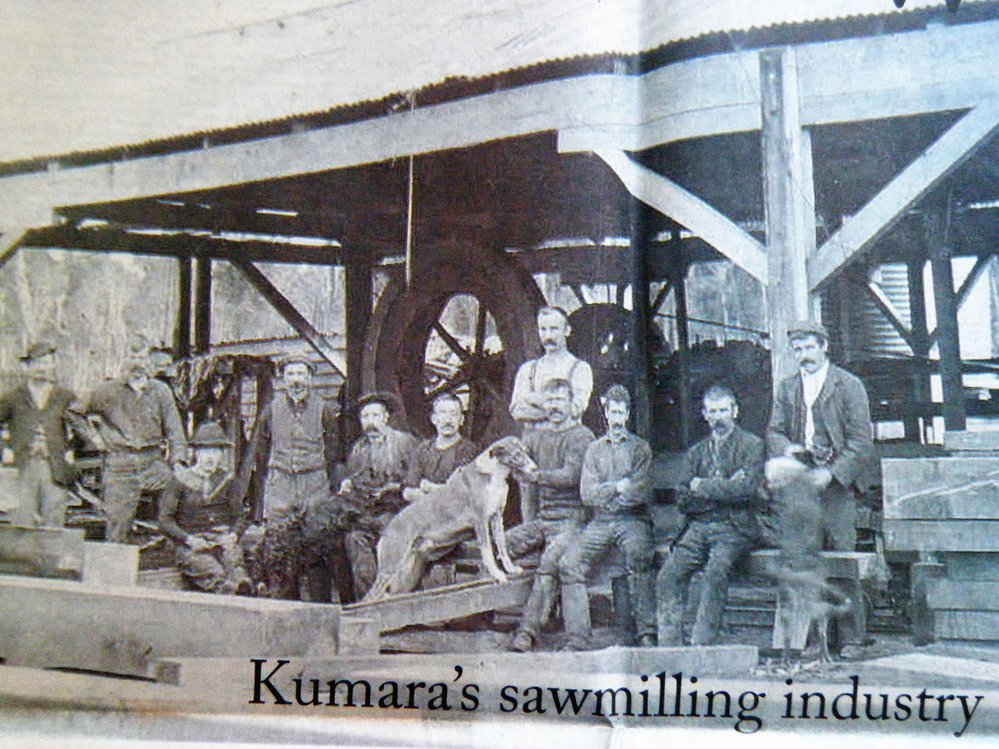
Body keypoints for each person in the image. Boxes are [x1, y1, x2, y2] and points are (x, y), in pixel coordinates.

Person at [656, 384, 765, 646]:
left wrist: (702, 486)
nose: (719, 418)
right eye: (713, 412)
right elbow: (683, 498)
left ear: (735, 411)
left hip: (733, 528)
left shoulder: (752, 446)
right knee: (668, 575)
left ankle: (701, 644)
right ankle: (669, 645)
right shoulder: (696, 452)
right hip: (698, 527)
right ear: (705, 415)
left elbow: (747, 491)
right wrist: (726, 487)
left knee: (716, 572)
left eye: (723, 410)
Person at [558, 384, 657, 649]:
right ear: (606, 413)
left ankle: (646, 631)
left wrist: (611, 494)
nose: (617, 419)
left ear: (628, 414)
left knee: (639, 556)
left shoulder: (640, 448)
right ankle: (578, 637)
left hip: (633, 520)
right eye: (613, 413)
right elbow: (587, 494)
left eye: (621, 413)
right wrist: (617, 487)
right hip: (601, 522)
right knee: (569, 563)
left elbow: (640, 492)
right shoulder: (594, 450)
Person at [766, 320, 874, 552]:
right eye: (798, 350)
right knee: (801, 554)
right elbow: (774, 432)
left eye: (809, 348)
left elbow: (861, 443)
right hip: (800, 482)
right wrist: (788, 450)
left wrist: (831, 474)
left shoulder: (849, 386)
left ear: (824, 346)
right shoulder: (787, 388)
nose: (804, 356)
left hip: (838, 486)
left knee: (841, 554)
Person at [237, 354, 339, 599]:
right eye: (290, 374)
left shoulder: (325, 409)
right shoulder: (270, 411)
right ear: (283, 379)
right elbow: (261, 454)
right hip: (281, 484)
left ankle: (320, 607)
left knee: (317, 546)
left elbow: (333, 452)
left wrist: (324, 484)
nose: (296, 380)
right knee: (280, 547)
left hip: (314, 483)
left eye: (301, 374)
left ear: (310, 378)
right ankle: (287, 605)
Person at [69, 337, 188, 543]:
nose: (138, 363)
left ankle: (178, 551)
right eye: (133, 357)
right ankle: (116, 556)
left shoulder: (160, 391)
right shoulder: (107, 391)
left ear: (150, 360)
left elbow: (175, 431)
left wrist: (179, 462)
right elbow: (74, 412)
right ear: (123, 360)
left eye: (142, 357)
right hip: (120, 464)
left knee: (184, 495)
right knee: (117, 528)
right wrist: (94, 438)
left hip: (153, 462)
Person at [507, 378, 595, 652]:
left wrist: (535, 475)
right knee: (502, 547)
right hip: (543, 520)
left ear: (571, 404)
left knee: (549, 564)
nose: (555, 407)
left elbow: (570, 476)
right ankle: (480, 619)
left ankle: (527, 631)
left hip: (572, 519)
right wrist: (515, 459)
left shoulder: (581, 436)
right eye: (550, 401)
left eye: (560, 400)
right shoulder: (536, 437)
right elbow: (520, 467)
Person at [318, 392, 417, 600]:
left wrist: (393, 488)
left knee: (391, 542)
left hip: (398, 513)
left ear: (386, 418)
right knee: (353, 539)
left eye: (375, 416)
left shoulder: (405, 443)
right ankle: (369, 601)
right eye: (365, 417)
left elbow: (414, 481)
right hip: (368, 514)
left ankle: (397, 600)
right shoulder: (358, 449)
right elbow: (355, 482)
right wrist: (347, 485)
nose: (370, 422)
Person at [157, 421, 252, 594]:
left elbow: (240, 516)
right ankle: (228, 593)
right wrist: (188, 539)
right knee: (213, 572)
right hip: (192, 545)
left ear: (222, 454)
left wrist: (233, 535)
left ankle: (246, 591)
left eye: (215, 452)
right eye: (205, 451)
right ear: (195, 452)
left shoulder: (228, 481)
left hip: (222, 541)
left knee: (237, 568)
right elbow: (165, 521)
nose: (210, 458)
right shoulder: (180, 480)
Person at [0, 340, 77, 528]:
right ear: (27, 367)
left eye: (46, 363)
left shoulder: (65, 397)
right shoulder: (12, 397)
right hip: (23, 466)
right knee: (22, 522)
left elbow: (80, 427)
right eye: (37, 363)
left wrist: (71, 450)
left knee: (53, 522)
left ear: (53, 366)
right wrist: (4, 449)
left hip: (55, 468)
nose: (42, 368)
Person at [509, 306, 593, 430]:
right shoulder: (527, 369)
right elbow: (516, 411)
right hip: (532, 440)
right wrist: (556, 407)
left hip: (565, 439)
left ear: (567, 330)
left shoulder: (580, 369)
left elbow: (575, 411)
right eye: (543, 329)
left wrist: (532, 399)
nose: (548, 336)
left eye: (554, 329)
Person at [402, 392, 478, 503]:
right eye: (443, 413)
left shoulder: (469, 451)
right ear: (434, 419)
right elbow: (408, 491)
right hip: (425, 511)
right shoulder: (422, 449)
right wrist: (438, 494)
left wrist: (430, 488)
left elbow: (463, 494)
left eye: (453, 414)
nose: (448, 420)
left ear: (461, 419)